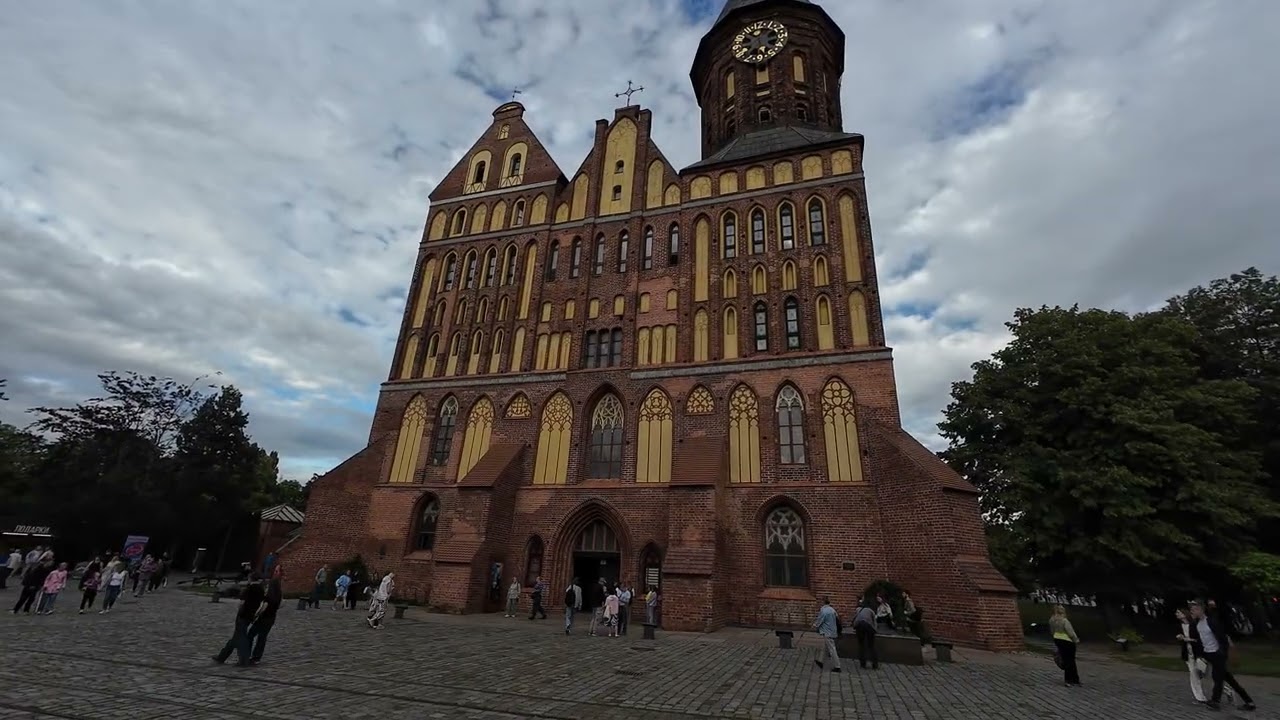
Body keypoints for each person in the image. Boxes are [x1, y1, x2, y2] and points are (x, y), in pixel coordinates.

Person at [1189, 600, 1256, 711]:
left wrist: (1222, 653)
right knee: (1230, 680)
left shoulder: (1211, 622)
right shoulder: (1197, 624)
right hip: (1208, 654)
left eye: (1195, 609)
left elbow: (1222, 638)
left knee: (1217, 678)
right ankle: (1249, 702)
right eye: (1192, 610)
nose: (1193, 612)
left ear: (1201, 610)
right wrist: (1201, 654)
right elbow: (1200, 641)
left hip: (1217, 654)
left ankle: (1215, 701)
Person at [212, 573, 265, 667]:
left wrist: (240, 611)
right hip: (251, 615)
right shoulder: (261, 590)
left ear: (250, 579)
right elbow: (261, 603)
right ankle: (222, 656)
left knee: (241, 638)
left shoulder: (248, 589)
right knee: (236, 637)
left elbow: (242, 603)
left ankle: (244, 660)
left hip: (243, 615)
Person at [1175, 607, 1209, 703]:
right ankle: (1200, 697)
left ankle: (1227, 690)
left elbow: (1199, 640)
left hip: (1198, 653)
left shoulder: (1194, 625)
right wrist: (1179, 637)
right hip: (1188, 654)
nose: (1176, 614)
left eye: (1178, 612)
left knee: (1205, 674)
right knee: (1194, 675)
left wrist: (1187, 639)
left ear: (1184, 614)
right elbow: (1179, 637)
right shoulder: (1179, 626)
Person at [248, 575, 283, 664]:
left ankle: (247, 654)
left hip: (263, 619)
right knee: (262, 638)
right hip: (271, 619)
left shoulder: (268, 597)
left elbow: (263, 608)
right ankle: (257, 657)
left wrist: (255, 615)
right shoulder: (278, 596)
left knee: (250, 635)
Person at [1049, 604, 1081, 687]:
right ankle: (1073, 679)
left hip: (1057, 640)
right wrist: (1076, 640)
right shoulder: (1064, 621)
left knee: (1065, 659)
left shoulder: (1052, 620)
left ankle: (1069, 680)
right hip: (1067, 641)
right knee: (1071, 660)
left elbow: (1052, 631)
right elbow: (1070, 632)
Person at [812, 596, 842, 672]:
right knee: (825, 647)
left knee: (832, 649)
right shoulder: (832, 610)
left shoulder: (824, 611)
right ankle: (821, 661)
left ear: (823, 602)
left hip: (827, 632)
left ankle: (837, 666)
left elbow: (820, 620)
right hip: (832, 630)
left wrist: (815, 625)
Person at [853, 599, 879, 669]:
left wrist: (854, 627)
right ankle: (875, 664)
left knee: (861, 645)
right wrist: (875, 631)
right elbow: (874, 622)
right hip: (868, 626)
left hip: (860, 626)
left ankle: (863, 664)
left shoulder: (859, 610)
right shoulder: (871, 611)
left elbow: (856, 619)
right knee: (871, 646)